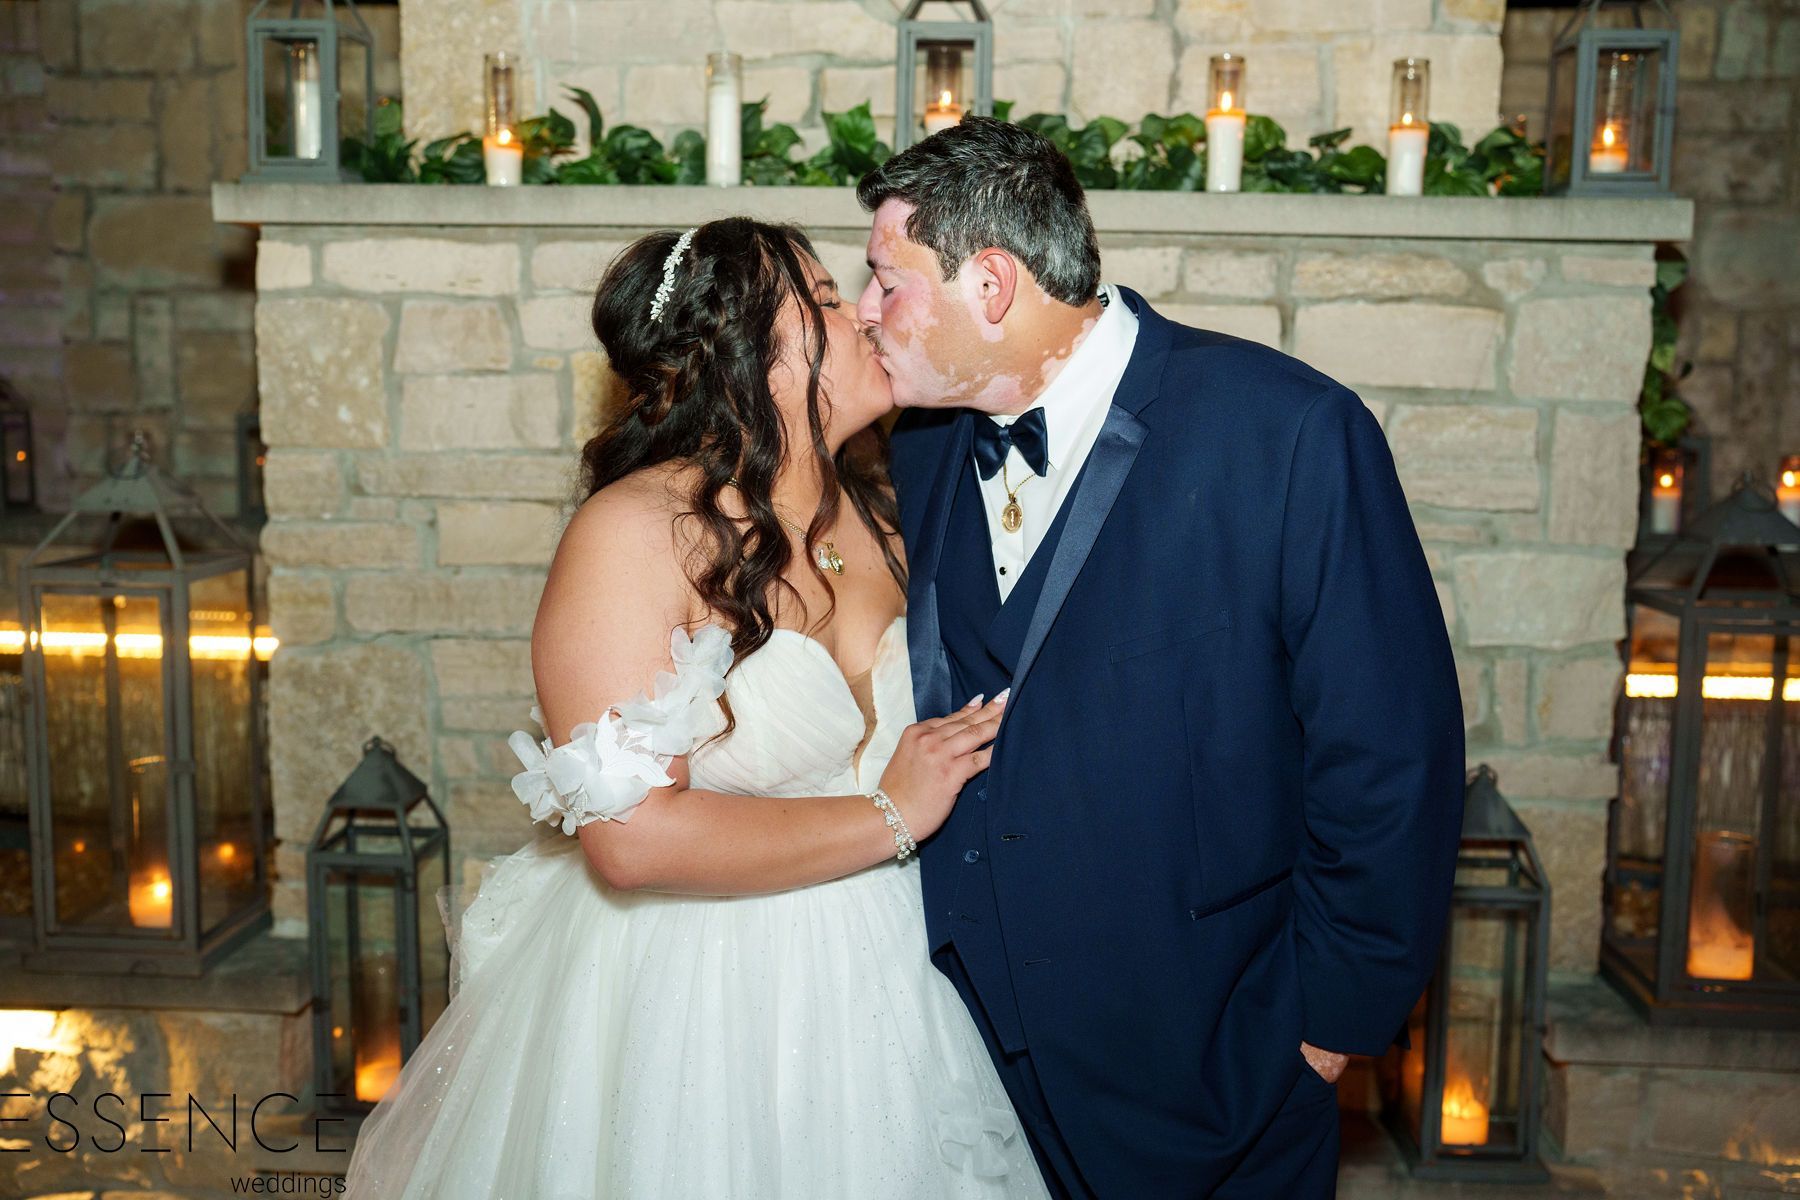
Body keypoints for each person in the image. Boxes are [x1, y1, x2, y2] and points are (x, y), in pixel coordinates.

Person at [341, 217, 1048, 1199]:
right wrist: (891, 813)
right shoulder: (634, 535)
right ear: (749, 355)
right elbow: (629, 843)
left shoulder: (882, 518)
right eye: (833, 302)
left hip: (892, 979)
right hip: (699, 999)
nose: (869, 314)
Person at [855, 117, 1467, 1199]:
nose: (865, 314)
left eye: (886, 281)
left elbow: (1389, 758)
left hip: (1213, 1066)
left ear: (990, 285)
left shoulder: (1289, 434)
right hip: (971, 1070)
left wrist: (1325, 1028)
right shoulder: (925, 444)